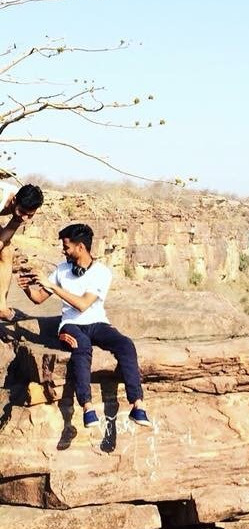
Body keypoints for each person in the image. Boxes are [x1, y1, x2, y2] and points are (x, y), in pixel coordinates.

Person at [19, 222, 152, 429]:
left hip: (97, 323)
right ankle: (87, 407)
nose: (64, 251)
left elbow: (82, 304)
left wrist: (52, 286)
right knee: (82, 346)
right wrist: (28, 288)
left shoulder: (101, 272)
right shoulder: (61, 270)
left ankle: (137, 404)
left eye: (66, 246)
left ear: (80, 247)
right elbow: (38, 299)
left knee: (125, 345)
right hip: (70, 326)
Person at [0, 182, 45, 321]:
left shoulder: (21, 208)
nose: (24, 218)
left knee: (7, 251)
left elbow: (6, 235)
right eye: (22, 212)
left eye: (30, 215)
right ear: (14, 200)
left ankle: (1, 307)